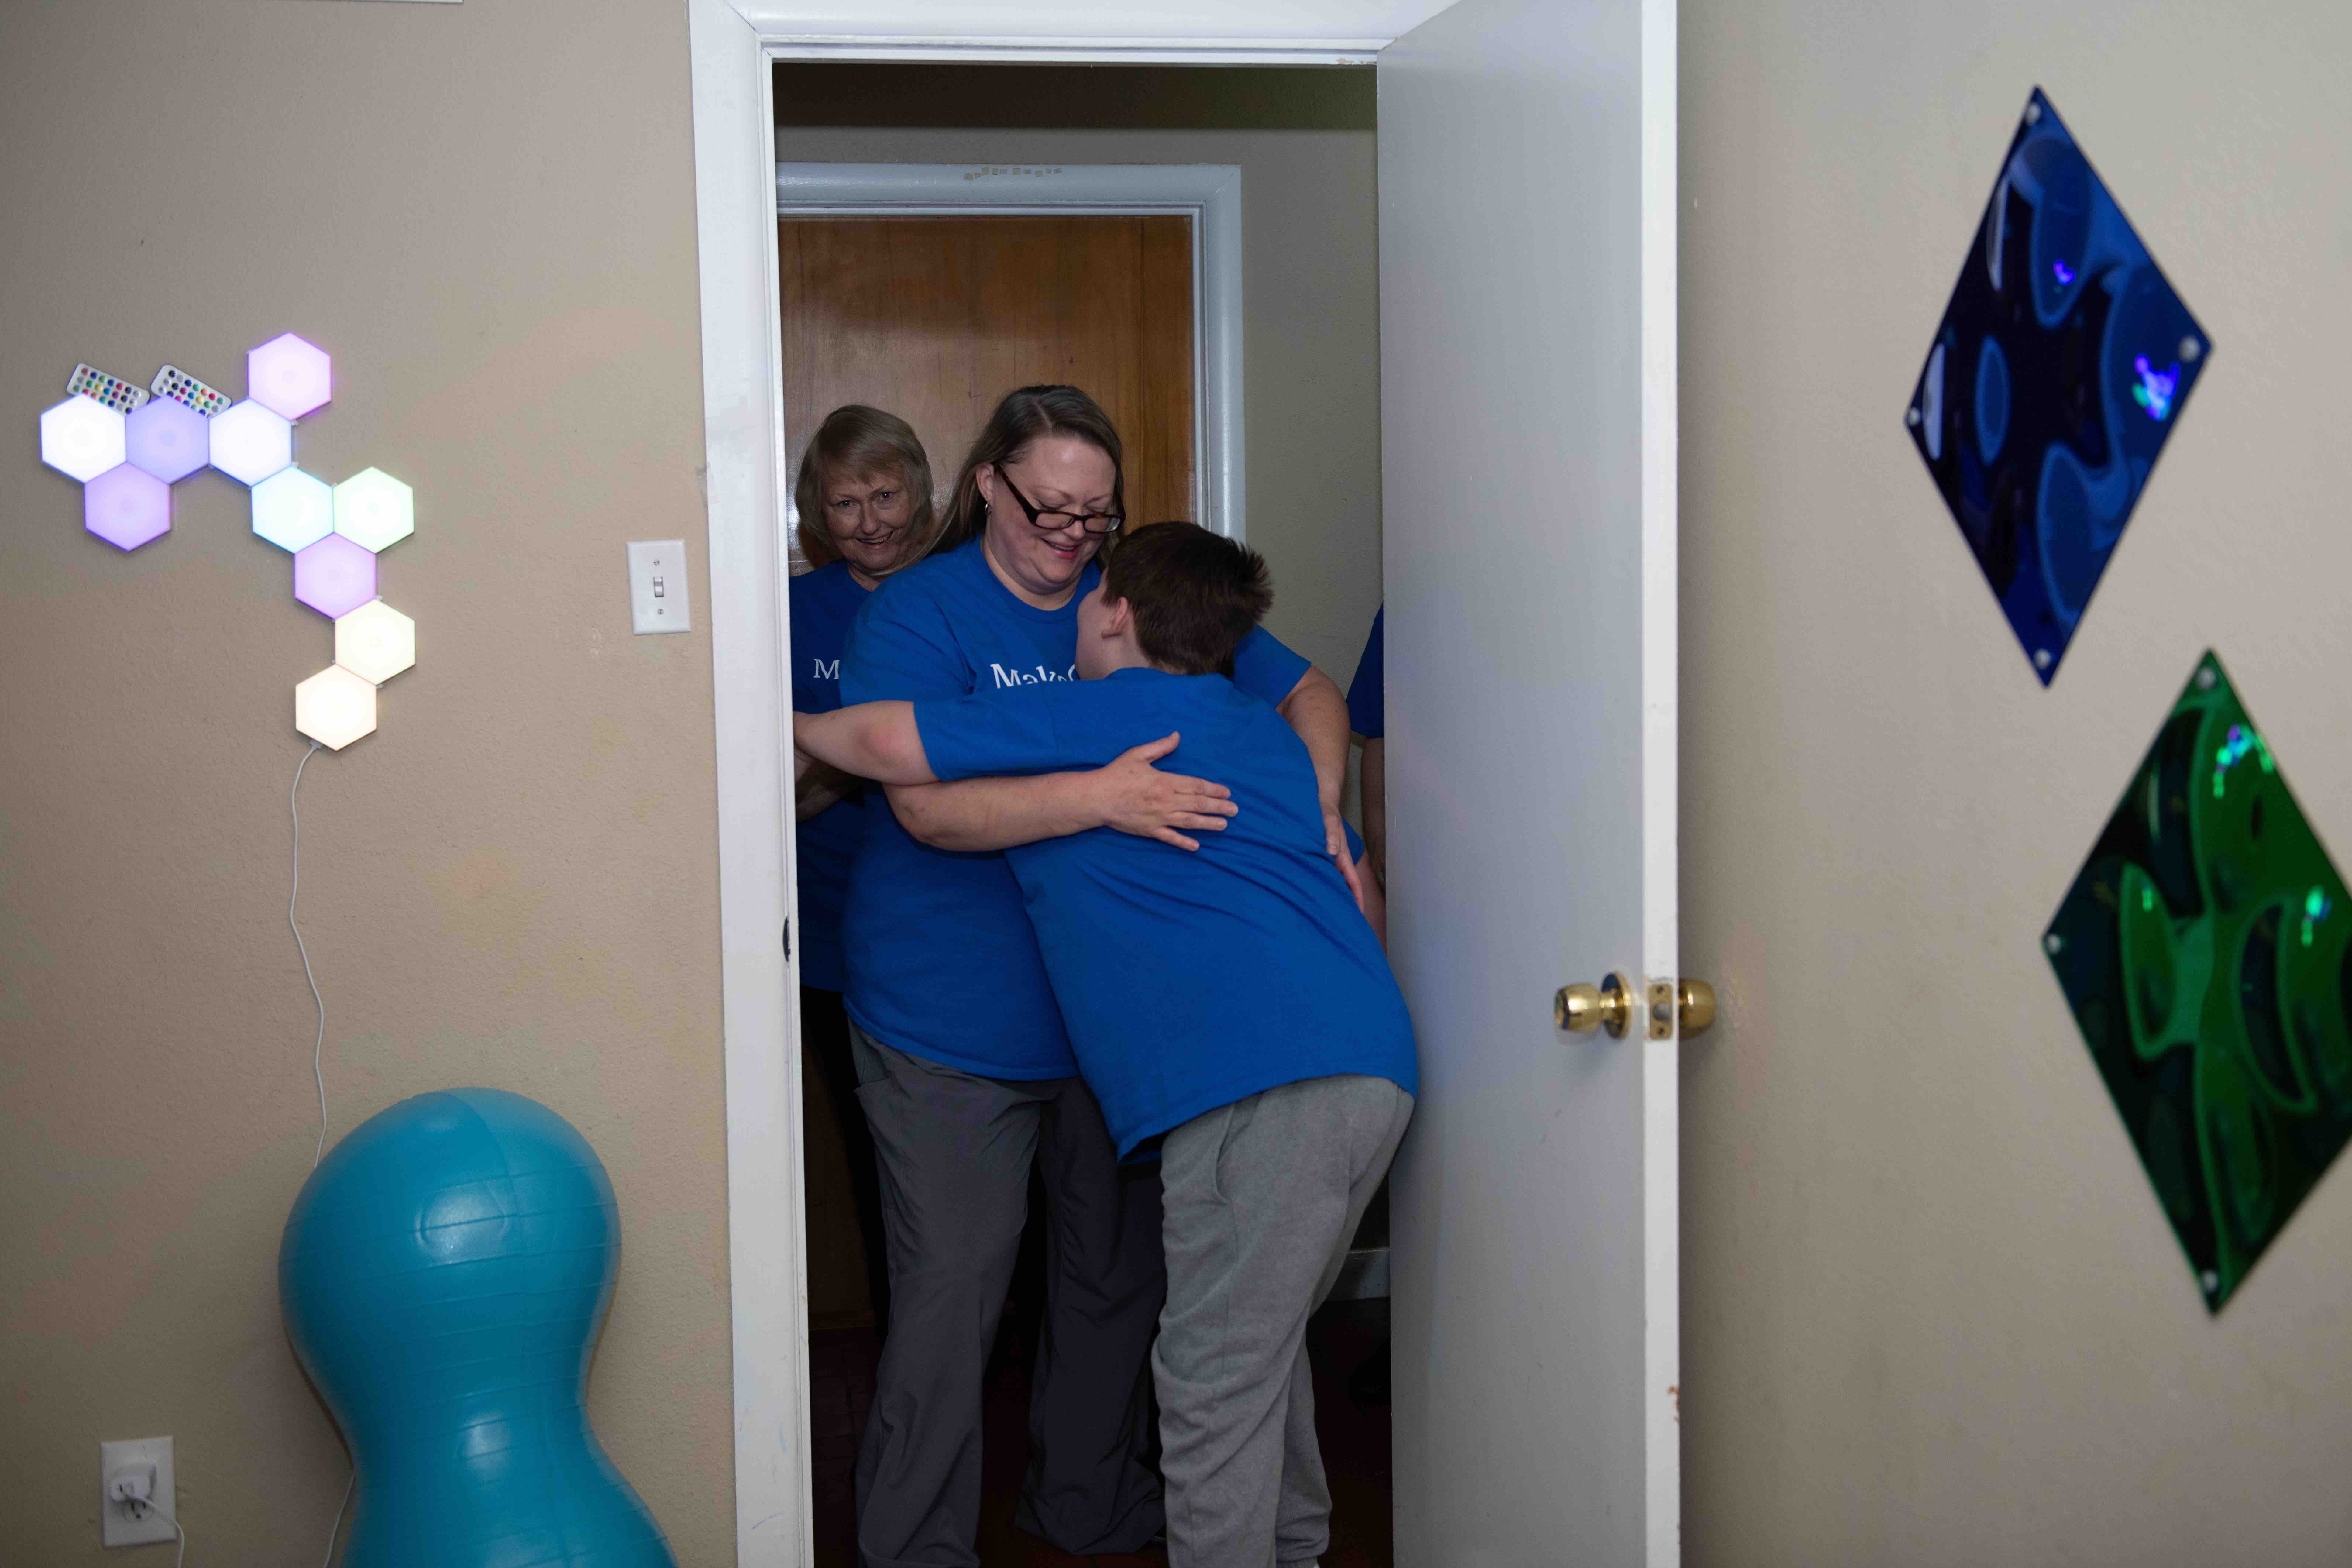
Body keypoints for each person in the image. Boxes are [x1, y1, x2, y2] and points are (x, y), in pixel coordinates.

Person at [796, 522, 1417, 1568]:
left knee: (1209, 1376)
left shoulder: (1088, 714)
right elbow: (1359, 898)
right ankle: (1295, 1547)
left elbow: (886, 749)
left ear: (1117, 614)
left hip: (1254, 1094)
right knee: (1259, 1351)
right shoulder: (1262, 733)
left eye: (1091, 596)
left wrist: (777, 717)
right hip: (1371, 1071)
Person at [790, 404, 947, 1336]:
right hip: (824, 928)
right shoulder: (793, 608)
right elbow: (771, 780)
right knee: (870, 1150)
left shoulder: (961, 592)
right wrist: (873, 759)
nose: (870, 521)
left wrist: (848, 757)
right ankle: (904, 1342)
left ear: (920, 490)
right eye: (845, 503)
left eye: (885, 494)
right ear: (817, 513)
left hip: (956, 914)